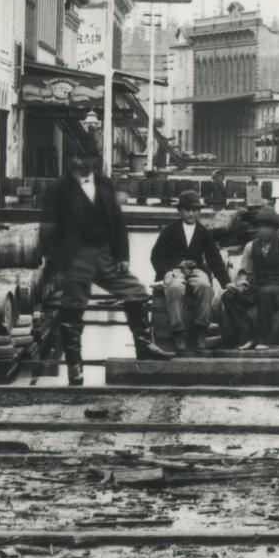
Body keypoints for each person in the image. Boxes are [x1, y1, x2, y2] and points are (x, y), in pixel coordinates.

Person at [40, 145, 172, 386]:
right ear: (74, 158)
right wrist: (55, 266)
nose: (83, 161)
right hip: (75, 256)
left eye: (88, 156)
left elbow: (118, 222)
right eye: (79, 156)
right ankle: (74, 367)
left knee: (136, 292)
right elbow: (48, 230)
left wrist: (122, 256)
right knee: (73, 306)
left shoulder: (104, 184)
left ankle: (144, 349)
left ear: (94, 159)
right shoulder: (58, 189)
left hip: (105, 254)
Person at [149, 190, 230, 353]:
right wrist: (166, 270)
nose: (191, 213)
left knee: (205, 287)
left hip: (196, 269)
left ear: (199, 211)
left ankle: (202, 329)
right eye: (187, 210)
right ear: (180, 211)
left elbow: (214, 259)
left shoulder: (203, 232)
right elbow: (156, 256)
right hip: (175, 269)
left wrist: (227, 282)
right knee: (174, 288)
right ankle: (178, 331)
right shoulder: (169, 230)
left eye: (195, 210)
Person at [219, 205, 279, 348]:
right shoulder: (250, 246)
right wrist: (242, 285)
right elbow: (244, 272)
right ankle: (247, 336)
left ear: (275, 229)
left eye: (267, 227)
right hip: (257, 286)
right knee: (228, 297)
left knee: (265, 293)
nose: (263, 230)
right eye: (260, 226)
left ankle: (264, 339)